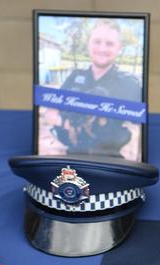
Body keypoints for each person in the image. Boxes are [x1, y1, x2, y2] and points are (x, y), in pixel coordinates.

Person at [43, 19, 143, 161]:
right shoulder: (74, 76)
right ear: (89, 44)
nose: (102, 48)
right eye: (97, 41)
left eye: (109, 43)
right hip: (73, 160)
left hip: (111, 163)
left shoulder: (130, 84)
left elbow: (143, 125)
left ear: (119, 47)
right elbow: (50, 113)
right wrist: (72, 127)